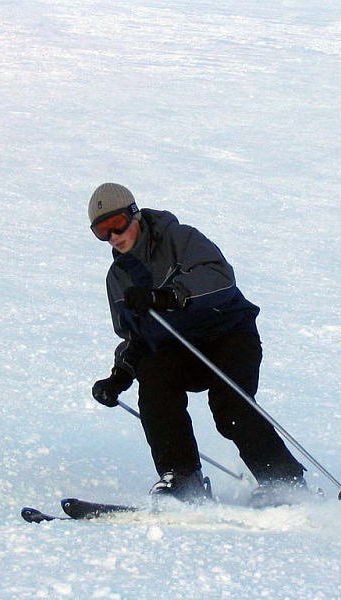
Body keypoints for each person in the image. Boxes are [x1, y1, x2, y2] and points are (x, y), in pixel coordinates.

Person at [88, 183, 307, 507]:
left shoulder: (180, 239)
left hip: (229, 335)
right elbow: (136, 338)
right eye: (101, 231)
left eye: (116, 224)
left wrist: (168, 296)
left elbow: (220, 279)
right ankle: (183, 480)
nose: (113, 236)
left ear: (134, 214)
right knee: (153, 375)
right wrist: (118, 377)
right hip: (181, 350)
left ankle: (285, 483)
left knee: (229, 406)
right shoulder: (118, 280)